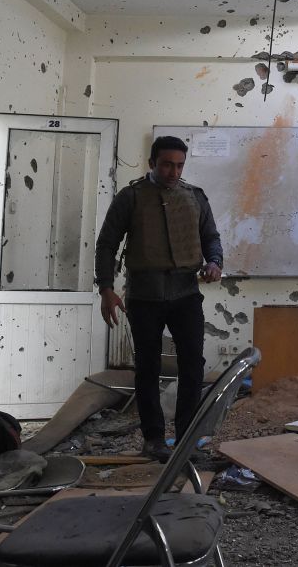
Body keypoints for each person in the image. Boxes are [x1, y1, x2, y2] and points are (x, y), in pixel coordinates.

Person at [94, 136, 223, 462]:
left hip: (186, 294)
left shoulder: (194, 197)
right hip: (144, 296)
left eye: (179, 165)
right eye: (167, 164)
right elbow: (107, 243)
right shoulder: (131, 197)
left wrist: (214, 262)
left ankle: (185, 438)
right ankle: (153, 439)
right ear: (152, 163)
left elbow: (211, 237)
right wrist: (106, 288)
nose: (173, 171)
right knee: (147, 367)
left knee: (193, 365)